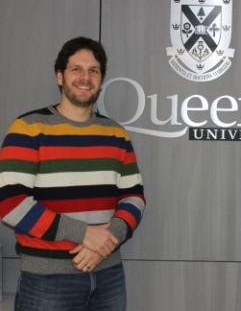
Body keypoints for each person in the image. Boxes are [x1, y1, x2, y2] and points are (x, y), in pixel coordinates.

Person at [0, 36, 145, 311]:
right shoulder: (28, 128)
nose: (85, 77)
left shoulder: (115, 133)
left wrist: (106, 238)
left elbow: (134, 197)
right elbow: (10, 203)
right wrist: (84, 235)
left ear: (101, 80)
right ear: (59, 76)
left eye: (94, 71)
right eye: (76, 69)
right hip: (47, 281)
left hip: (109, 275)